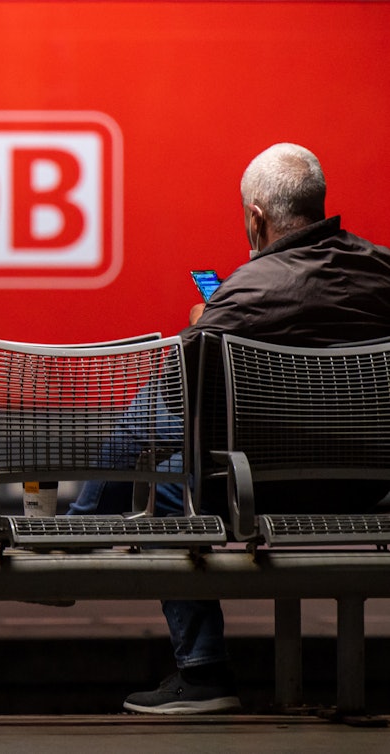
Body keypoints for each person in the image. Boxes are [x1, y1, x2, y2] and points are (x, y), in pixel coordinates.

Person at [70, 143, 390, 714]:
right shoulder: (382, 271)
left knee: (163, 459)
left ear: (256, 218)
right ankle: (84, 542)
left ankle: (195, 662)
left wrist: (203, 323)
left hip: (257, 493)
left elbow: (175, 397)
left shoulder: (245, 295)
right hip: (369, 491)